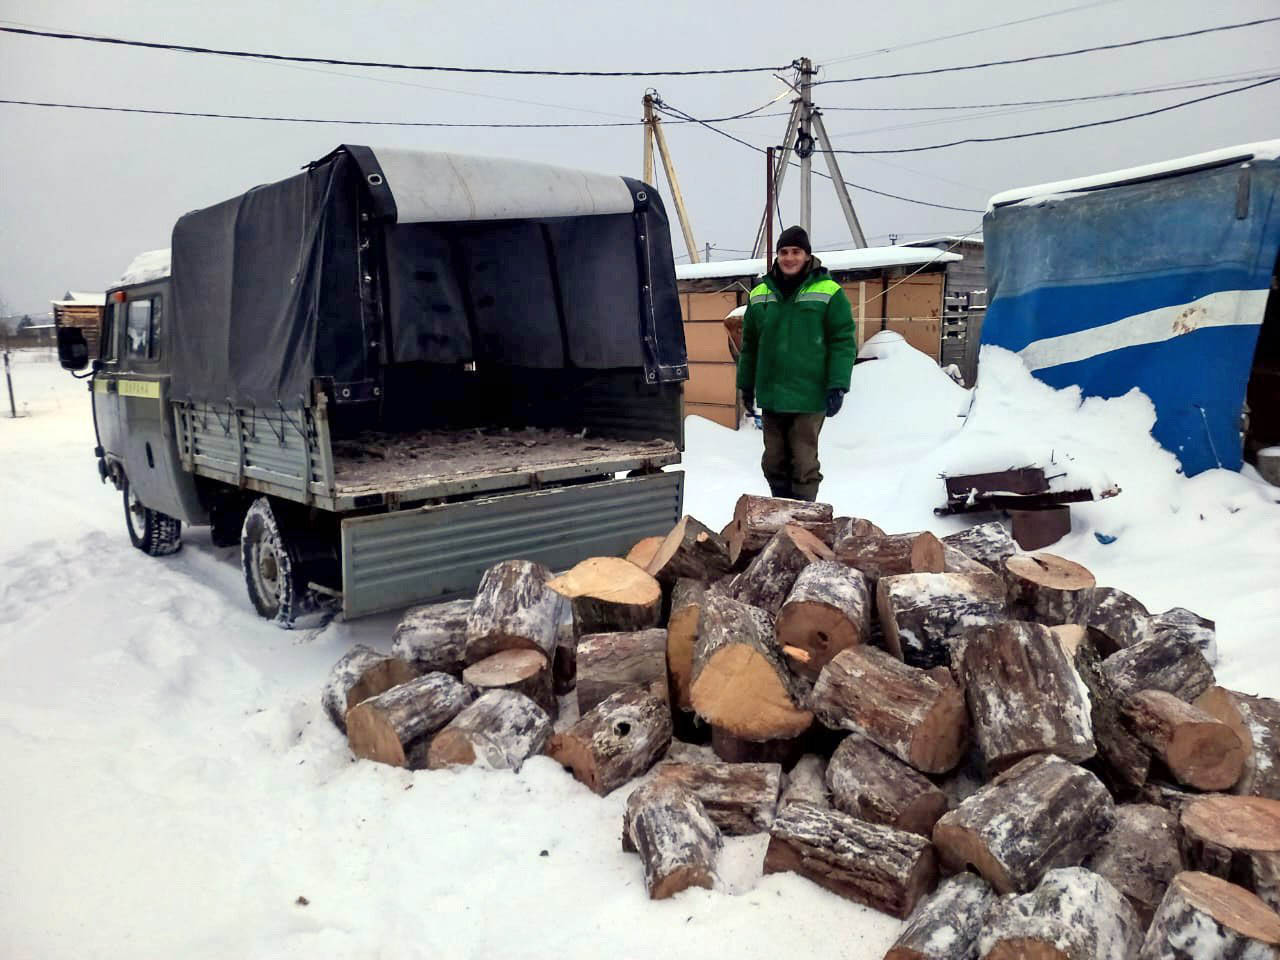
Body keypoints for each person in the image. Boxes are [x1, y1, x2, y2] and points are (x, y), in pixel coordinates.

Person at [736, 225, 855, 502]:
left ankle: (803, 519)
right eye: (784, 252)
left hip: (809, 395)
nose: (789, 258)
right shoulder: (760, 293)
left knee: (803, 463)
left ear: (807, 255)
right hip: (773, 394)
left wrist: (837, 385)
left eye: (796, 252)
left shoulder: (829, 292)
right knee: (773, 462)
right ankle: (779, 512)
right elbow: (750, 345)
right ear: (777, 256)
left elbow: (843, 341)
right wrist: (745, 386)